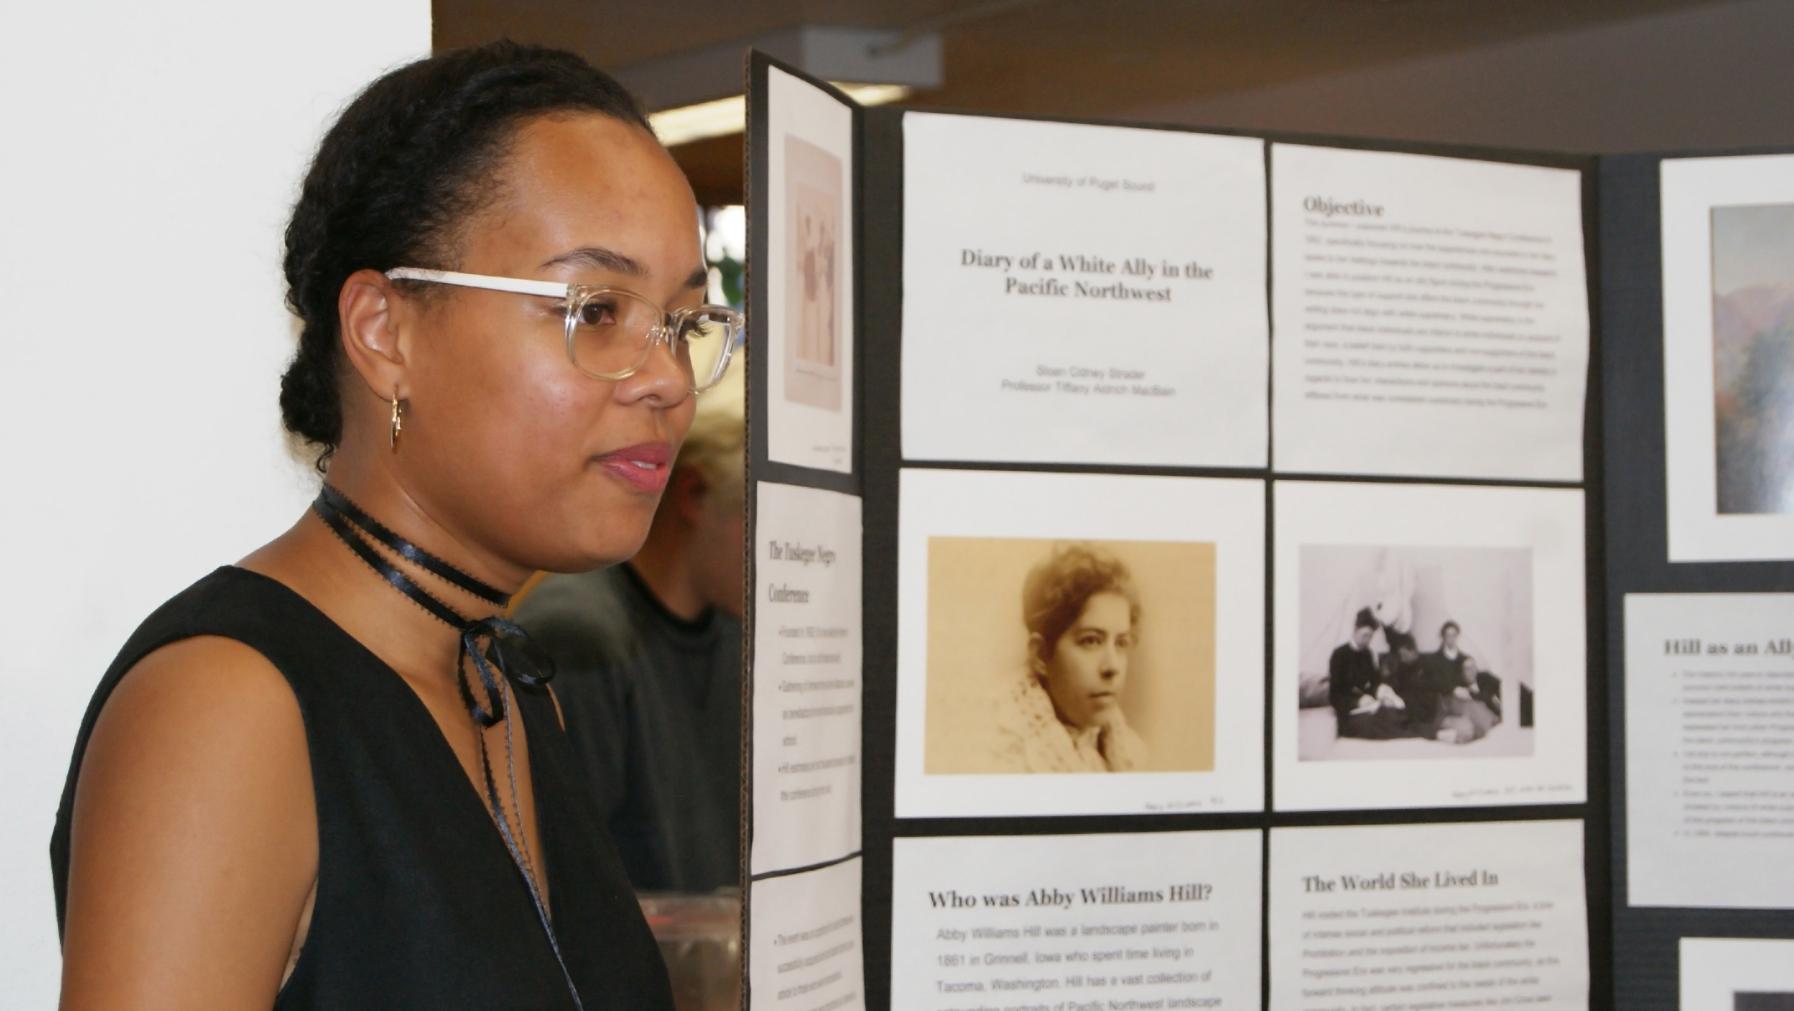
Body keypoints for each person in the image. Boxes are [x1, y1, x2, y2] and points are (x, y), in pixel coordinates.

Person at [49, 43, 742, 1009]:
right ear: (385, 331)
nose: (668, 377)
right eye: (597, 308)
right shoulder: (230, 707)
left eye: (681, 322)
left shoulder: (504, 681)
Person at [512, 381, 744, 894]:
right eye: (761, 516)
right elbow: (562, 882)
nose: (780, 549)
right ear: (694, 495)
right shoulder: (575, 639)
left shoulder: (735, 637)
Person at [990, 543, 1149, 773]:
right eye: (1091, 641)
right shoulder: (1000, 751)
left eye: (1121, 642)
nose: (1112, 666)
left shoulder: (1127, 750)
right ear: (1041, 655)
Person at [1328, 608, 1409, 740]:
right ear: (1355, 629)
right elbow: (1334, 696)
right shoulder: (1339, 655)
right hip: (1350, 713)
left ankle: (1414, 735)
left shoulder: (1368, 654)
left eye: (1370, 636)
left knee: (1396, 713)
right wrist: (1357, 702)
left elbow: (1375, 682)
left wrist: (1382, 693)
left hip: (1370, 707)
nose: (1367, 640)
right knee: (1375, 723)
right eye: (1364, 635)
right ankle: (1413, 736)